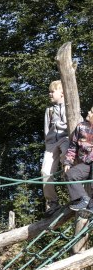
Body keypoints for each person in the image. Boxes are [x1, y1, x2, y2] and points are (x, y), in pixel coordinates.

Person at [42, 80, 69, 216]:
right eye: (49, 91)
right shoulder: (49, 111)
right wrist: (48, 145)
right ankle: (52, 202)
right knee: (45, 171)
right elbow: (47, 130)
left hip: (65, 139)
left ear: (62, 93)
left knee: (67, 161)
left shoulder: (70, 107)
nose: (50, 94)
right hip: (52, 143)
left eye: (53, 91)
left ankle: (76, 195)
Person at [64, 107, 93, 212]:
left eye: (91, 112)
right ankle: (83, 199)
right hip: (85, 164)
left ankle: (91, 207)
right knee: (70, 174)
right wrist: (68, 161)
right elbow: (73, 146)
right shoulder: (81, 127)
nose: (88, 112)